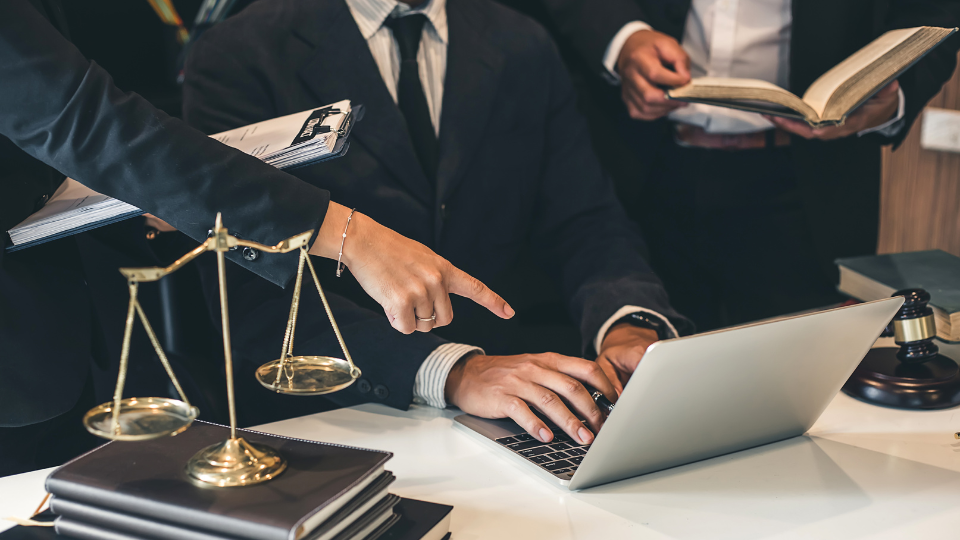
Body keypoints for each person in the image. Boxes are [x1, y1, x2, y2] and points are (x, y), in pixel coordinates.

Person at [0, 0, 513, 476]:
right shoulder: (242, 47)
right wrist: (351, 237)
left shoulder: (513, 38)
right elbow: (79, 119)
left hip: (70, 345)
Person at [182, 0, 692, 445]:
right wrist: (449, 370)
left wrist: (627, 321)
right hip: (337, 418)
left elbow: (585, 219)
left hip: (515, 411)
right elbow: (250, 294)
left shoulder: (522, 41)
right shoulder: (239, 51)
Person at [523, 0, 960, 330]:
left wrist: (891, 104)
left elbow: (937, 15)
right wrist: (622, 39)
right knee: (639, 371)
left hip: (807, 183)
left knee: (799, 394)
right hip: (636, 165)